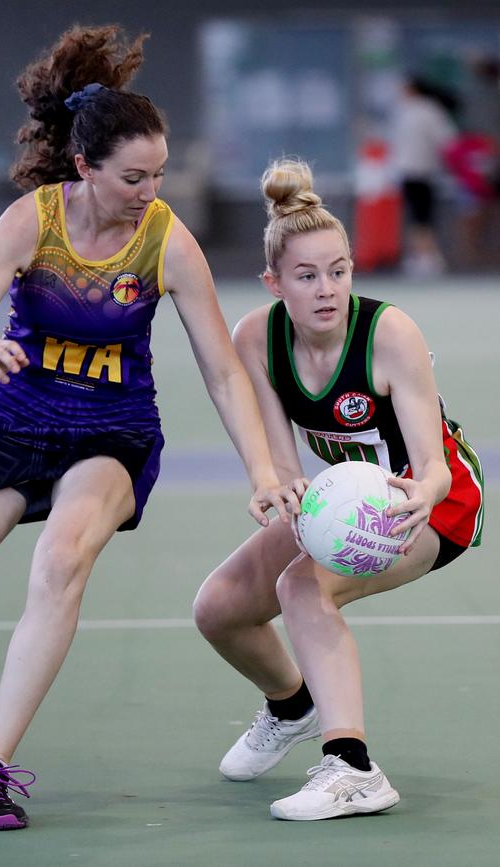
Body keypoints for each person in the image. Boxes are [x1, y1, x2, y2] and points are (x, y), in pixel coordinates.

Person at [0, 26, 288, 831]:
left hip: (110, 431)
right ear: (84, 167)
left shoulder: (165, 240)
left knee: (62, 562)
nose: (150, 191)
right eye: (133, 176)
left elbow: (223, 369)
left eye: (158, 174)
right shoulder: (33, 222)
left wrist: (262, 471)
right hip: (9, 419)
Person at [193, 158, 484, 821]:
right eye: (306, 276)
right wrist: (276, 490)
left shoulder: (388, 334)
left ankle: (354, 767)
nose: (327, 289)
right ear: (274, 283)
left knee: (301, 586)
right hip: (338, 497)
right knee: (218, 609)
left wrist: (421, 498)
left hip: (432, 502)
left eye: (339, 270)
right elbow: (283, 462)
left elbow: (434, 465)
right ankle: (292, 704)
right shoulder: (257, 339)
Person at [392, 76, 457, 277]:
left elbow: (447, 140)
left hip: (418, 170)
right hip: (414, 170)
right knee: (419, 216)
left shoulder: (424, 110)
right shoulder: (410, 111)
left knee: (421, 216)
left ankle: (428, 257)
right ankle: (424, 256)